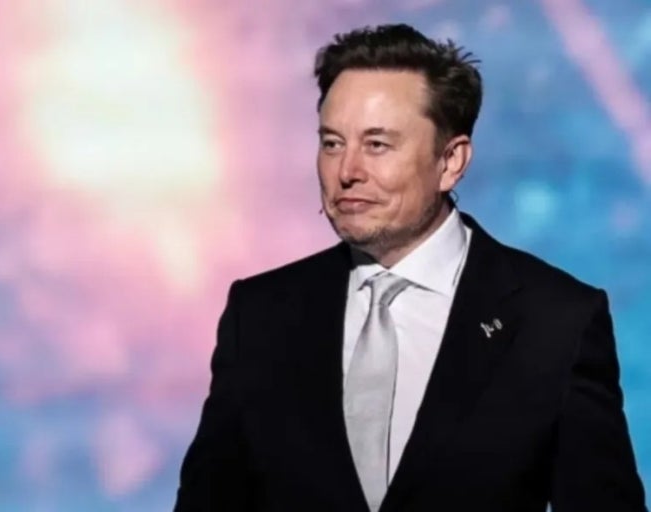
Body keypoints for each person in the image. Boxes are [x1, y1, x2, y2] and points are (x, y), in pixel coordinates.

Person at [173, 24, 647, 512]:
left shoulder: (555, 322)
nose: (347, 171)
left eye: (377, 145)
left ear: (451, 161)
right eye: (332, 143)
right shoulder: (260, 316)